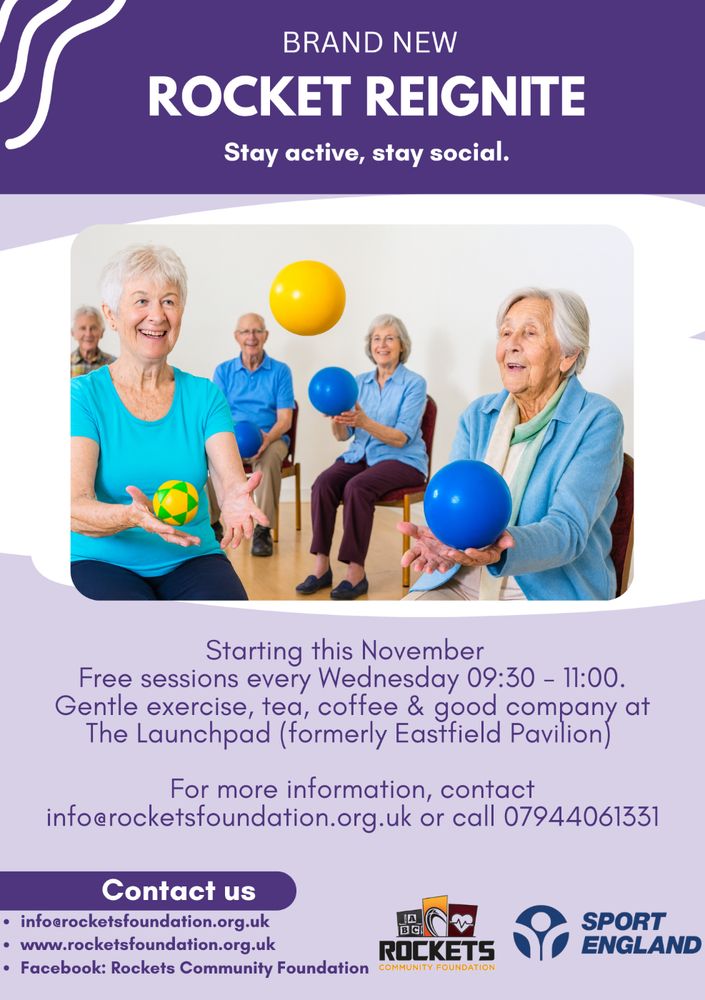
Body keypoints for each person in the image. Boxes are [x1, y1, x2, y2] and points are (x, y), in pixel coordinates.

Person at [400, 288, 624, 601]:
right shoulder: (477, 415)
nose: (511, 345)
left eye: (529, 333)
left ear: (568, 355)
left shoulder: (597, 419)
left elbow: (568, 530)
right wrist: (443, 539)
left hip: (543, 591)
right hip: (460, 575)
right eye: (506, 332)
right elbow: (455, 500)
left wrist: (498, 550)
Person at [71, 245, 267, 600]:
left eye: (169, 302)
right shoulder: (82, 397)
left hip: (192, 555)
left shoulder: (205, 396)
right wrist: (133, 518)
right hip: (100, 561)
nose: (157, 316)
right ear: (111, 315)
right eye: (141, 301)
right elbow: (73, 506)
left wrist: (236, 497)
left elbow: (227, 478)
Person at [297, 315, 428, 600]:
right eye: (377, 339)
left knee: (357, 487)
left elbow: (402, 437)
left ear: (402, 345)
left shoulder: (414, 384)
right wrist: (337, 418)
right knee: (323, 483)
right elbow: (343, 437)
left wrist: (364, 421)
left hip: (403, 460)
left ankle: (356, 573)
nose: (382, 345)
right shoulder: (358, 383)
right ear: (370, 346)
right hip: (361, 455)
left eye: (389, 338)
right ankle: (321, 567)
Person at [212, 313, 294, 556]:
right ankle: (214, 524)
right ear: (237, 337)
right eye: (246, 332)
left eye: (257, 331)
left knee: (267, 462)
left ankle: (262, 530)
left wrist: (266, 439)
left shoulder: (280, 371)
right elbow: (215, 415)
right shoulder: (224, 371)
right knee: (207, 458)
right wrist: (229, 442)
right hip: (233, 438)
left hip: (272, 438)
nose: (251, 337)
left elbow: (285, 420)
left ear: (266, 336)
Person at [70, 305, 116, 377]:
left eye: (93, 328)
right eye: (83, 328)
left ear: (102, 332)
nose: (88, 334)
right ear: (72, 332)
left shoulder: (113, 364)